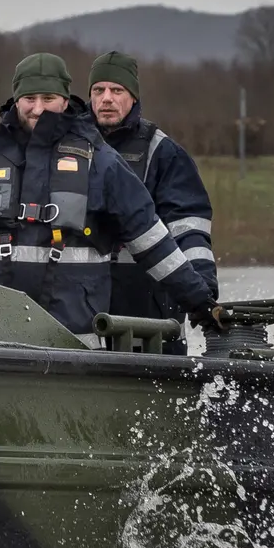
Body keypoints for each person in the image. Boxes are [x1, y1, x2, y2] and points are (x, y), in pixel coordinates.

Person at [0, 53, 220, 348]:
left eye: (48, 98)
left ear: (64, 101)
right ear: (16, 100)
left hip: (74, 344)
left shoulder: (102, 162)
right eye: (29, 98)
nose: (38, 108)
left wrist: (200, 301)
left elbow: (151, 241)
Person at [89, 51, 217, 355]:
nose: (106, 99)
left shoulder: (163, 153)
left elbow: (189, 227)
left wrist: (203, 291)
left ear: (133, 97)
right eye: (98, 90)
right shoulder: (71, 147)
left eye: (117, 90)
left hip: (149, 305)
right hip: (85, 303)